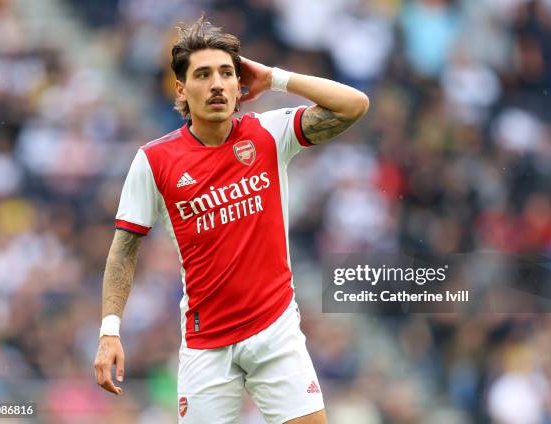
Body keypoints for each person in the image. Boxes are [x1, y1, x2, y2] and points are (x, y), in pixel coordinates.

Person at [93, 15, 369, 424]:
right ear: (182, 90)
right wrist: (109, 330)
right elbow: (123, 251)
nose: (218, 84)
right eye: (203, 75)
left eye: (227, 73)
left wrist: (275, 77)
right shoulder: (154, 161)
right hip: (207, 346)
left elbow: (354, 105)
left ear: (240, 84)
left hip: (276, 331)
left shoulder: (269, 133)